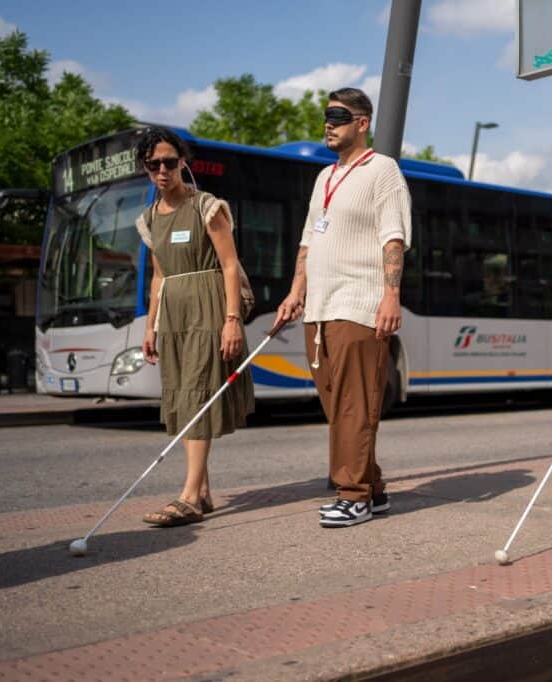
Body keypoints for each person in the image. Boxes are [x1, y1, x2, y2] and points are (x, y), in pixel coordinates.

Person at [274, 88, 411, 528]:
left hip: (359, 304)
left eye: (338, 116)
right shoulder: (324, 178)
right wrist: (296, 292)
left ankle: (352, 496)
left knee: (356, 405)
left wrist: (390, 296)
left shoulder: (383, 171)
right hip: (319, 308)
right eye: (326, 117)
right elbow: (309, 241)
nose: (328, 124)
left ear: (362, 123)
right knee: (339, 407)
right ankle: (374, 487)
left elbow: (393, 237)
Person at [136, 126, 254, 526]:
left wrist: (231, 320)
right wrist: (150, 328)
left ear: (183, 162)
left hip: (209, 309)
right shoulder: (150, 218)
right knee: (183, 397)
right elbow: (158, 276)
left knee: (199, 394)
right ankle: (202, 492)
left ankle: (188, 496)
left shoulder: (207, 206)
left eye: (170, 162)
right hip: (173, 315)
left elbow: (229, 265)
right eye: (154, 164)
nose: (163, 170)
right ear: (146, 168)